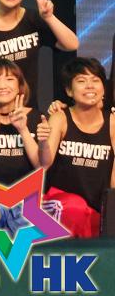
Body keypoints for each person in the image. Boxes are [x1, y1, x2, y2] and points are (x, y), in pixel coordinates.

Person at [41, 58, 114, 238]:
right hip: (60, 204)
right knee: (75, 208)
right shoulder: (60, 118)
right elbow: (44, 164)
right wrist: (42, 142)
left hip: (96, 209)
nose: (90, 86)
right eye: (81, 80)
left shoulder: (112, 123)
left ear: (103, 88)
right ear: (69, 90)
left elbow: (113, 185)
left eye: (95, 80)